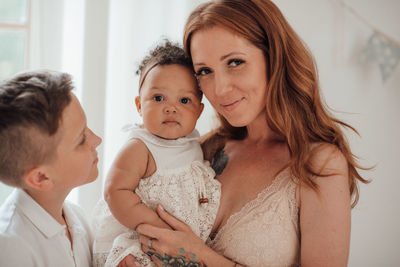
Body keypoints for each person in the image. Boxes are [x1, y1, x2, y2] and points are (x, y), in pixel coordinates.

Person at [135, 1, 370, 266]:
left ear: (274, 57)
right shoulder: (204, 150)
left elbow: (189, 253)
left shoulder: (319, 164)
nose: (220, 89)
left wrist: (199, 257)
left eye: (235, 62)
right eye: (205, 71)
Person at [92, 41, 220, 267]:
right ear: (139, 105)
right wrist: (155, 225)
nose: (171, 108)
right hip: (139, 241)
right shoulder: (140, 147)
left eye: (184, 100)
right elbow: (115, 191)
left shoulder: (193, 143)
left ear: (199, 111)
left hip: (181, 247)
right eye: (158, 98)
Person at [0, 70, 102, 266]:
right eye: (81, 139)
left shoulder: (77, 218)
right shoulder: (10, 248)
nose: (97, 140)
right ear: (41, 178)